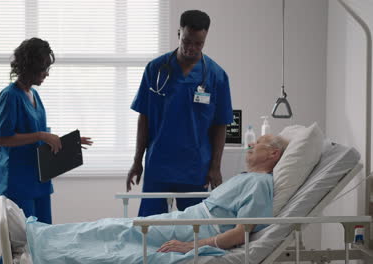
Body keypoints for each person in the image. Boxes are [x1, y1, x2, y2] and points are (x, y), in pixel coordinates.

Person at [25, 135, 288, 264]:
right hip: (187, 220)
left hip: (196, 228)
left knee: (115, 234)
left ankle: (44, 244)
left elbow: (242, 232)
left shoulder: (259, 183)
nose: (251, 145)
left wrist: (193, 246)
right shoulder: (245, 177)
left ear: (274, 154)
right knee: (114, 227)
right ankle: (41, 236)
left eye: (259, 144)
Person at [127, 10, 234, 216]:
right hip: (159, 163)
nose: (191, 48)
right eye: (187, 41)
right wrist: (137, 161)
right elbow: (144, 118)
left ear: (205, 39)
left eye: (198, 44)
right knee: (150, 228)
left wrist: (216, 167)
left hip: (195, 166)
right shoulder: (155, 69)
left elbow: (221, 125)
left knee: (194, 231)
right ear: (179, 33)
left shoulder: (217, 76)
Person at [0, 37, 93, 224]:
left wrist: (67, 143)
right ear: (28, 67)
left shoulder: (34, 95)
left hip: (39, 180)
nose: (46, 74)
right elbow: (2, 139)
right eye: (43, 69)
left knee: (43, 241)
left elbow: (38, 138)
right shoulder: (10, 96)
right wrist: (41, 135)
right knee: (23, 245)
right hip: (18, 182)